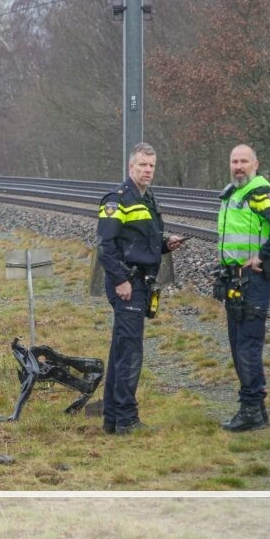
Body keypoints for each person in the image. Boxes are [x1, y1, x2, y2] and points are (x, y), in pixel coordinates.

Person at [96, 142, 185, 435]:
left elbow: (143, 243)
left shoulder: (148, 199)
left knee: (121, 349)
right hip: (128, 284)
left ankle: (112, 418)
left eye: (151, 166)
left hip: (141, 282)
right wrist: (121, 280)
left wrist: (164, 244)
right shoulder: (118, 199)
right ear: (130, 167)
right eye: (142, 166)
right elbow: (105, 247)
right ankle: (127, 419)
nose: (147, 171)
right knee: (130, 352)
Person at [214, 144, 270, 432]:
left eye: (244, 161)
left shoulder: (258, 191)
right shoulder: (234, 192)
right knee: (239, 344)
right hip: (235, 279)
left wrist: (262, 255)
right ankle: (256, 408)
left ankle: (251, 409)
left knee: (247, 344)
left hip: (254, 279)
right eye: (234, 161)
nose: (238, 166)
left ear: (255, 164)